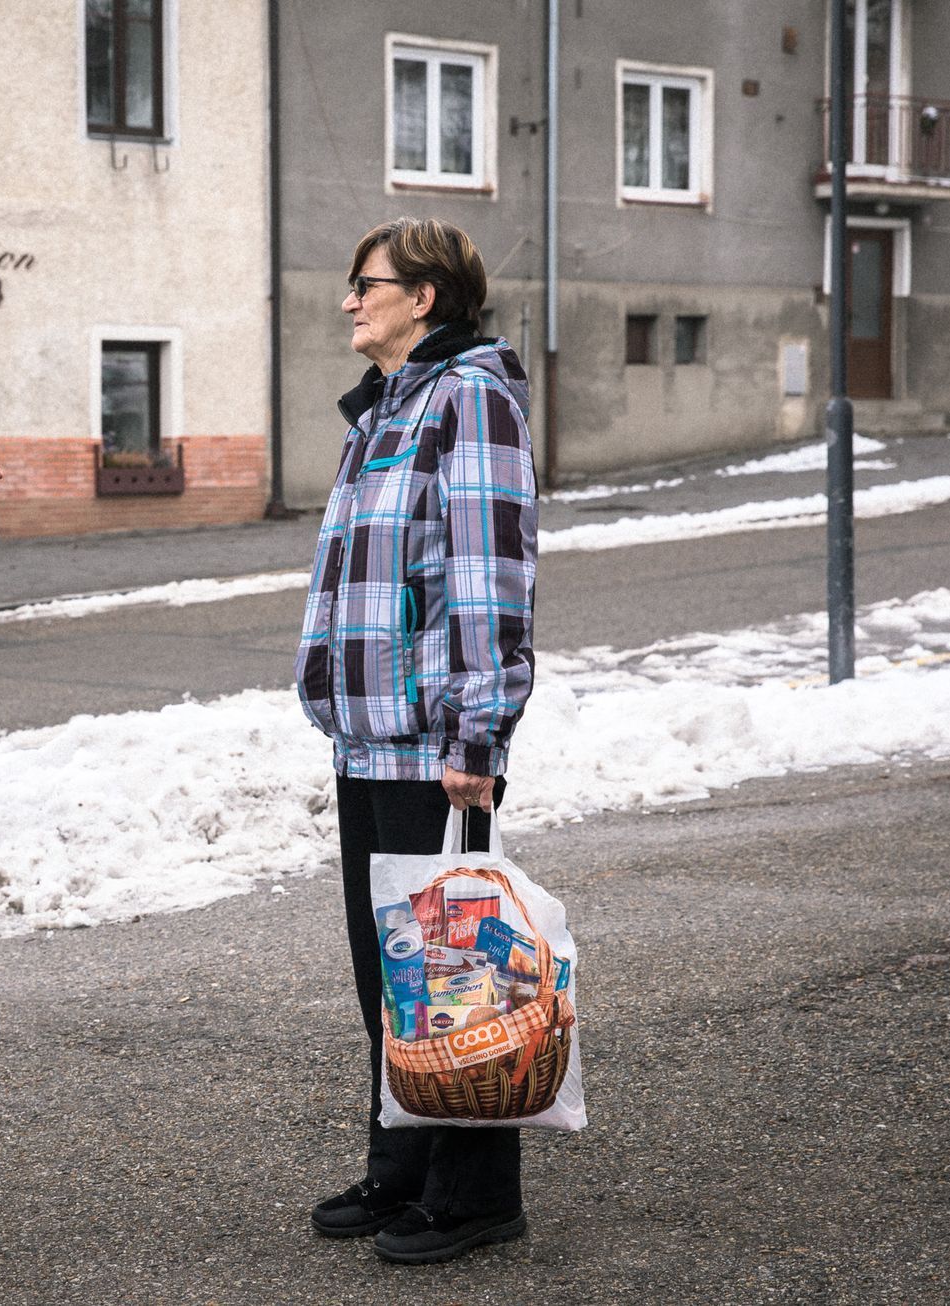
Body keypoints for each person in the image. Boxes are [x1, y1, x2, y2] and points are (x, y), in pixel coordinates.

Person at [294, 217, 538, 1265]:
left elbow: (488, 577)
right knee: (389, 972)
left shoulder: (469, 398)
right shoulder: (384, 411)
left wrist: (477, 732)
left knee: (455, 977)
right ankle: (403, 1165)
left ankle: (477, 1191)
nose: (349, 300)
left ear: (423, 297)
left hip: (437, 743)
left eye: (366, 283)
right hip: (368, 739)